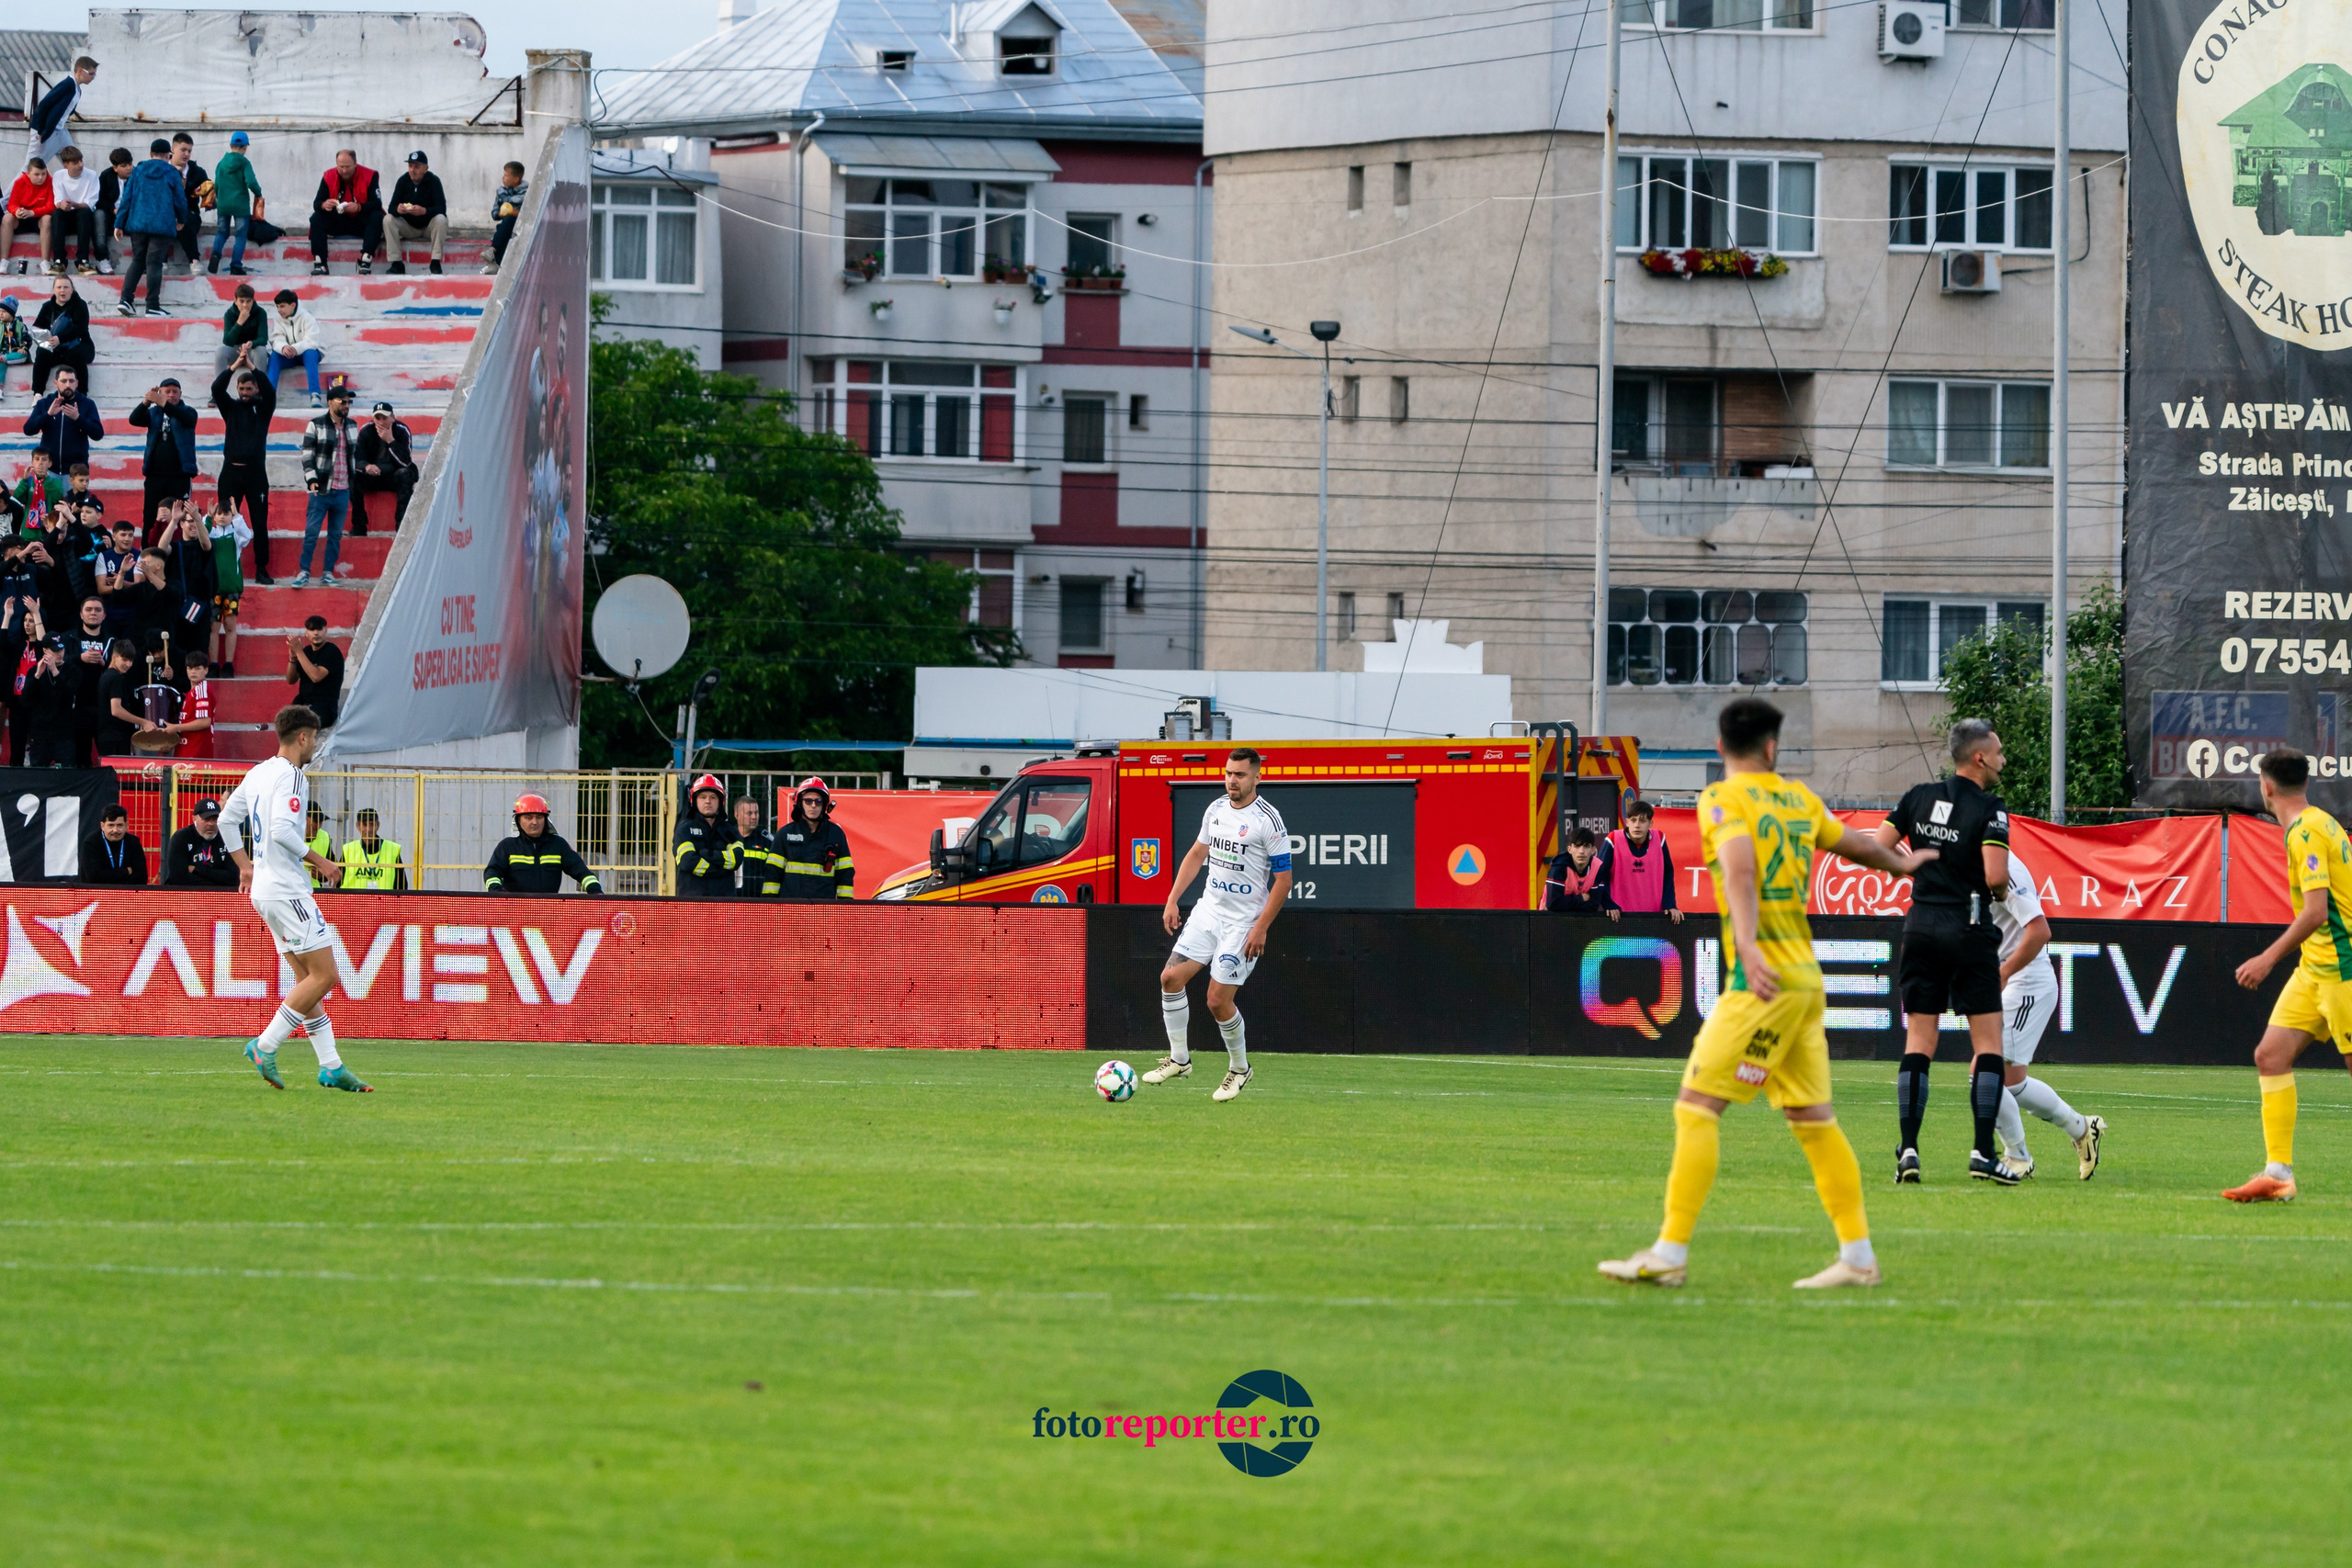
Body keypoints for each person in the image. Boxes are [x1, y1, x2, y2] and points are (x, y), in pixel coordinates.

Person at [1599, 697, 1935, 1292]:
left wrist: (1748, 946)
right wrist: (1899, 867)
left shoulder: (1723, 799)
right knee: (1813, 1118)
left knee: (1696, 1106)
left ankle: (1670, 1252)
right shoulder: (1798, 798)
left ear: (1721, 745)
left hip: (1764, 981)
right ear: (1772, 747)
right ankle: (1858, 1258)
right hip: (1804, 978)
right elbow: (1855, 845)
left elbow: (1740, 868)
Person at [1875, 717, 2026, 1187]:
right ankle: (1983, 1152)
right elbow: (1996, 876)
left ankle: (1909, 1149)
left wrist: (1911, 867)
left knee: (1919, 1042)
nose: (2003, 760)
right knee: (1988, 1046)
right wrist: (1997, 893)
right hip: (1969, 927)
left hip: (1920, 927)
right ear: (1979, 758)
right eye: (1998, 753)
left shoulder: (1917, 796)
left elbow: (1878, 849)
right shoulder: (1990, 808)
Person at [219, 705, 369, 1093]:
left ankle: (331, 1066)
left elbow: (225, 820)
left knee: (308, 980)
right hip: (287, 890)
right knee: (326, 976)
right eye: (314, 738)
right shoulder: (292, 775)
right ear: (302, 737)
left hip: (265, 891)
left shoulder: (258, 772)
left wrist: (245, 867)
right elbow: (283, 831)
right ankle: (265, 1045)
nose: (314, 745)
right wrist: (322, 861)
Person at [2225, 752, 2352, 1202]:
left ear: (2266, 787)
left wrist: (2267, 958)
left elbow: (2316, 912)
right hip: (2316, 968)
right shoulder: (2321, 822)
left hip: (2342, 968)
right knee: (2270, 1055)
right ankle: (2278, 1174)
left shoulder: (2307, 833)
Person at [1140, 747, 1292, 1104]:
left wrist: (1261, 927)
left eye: (1240, 774)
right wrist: (1173, 899)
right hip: (1208, 912)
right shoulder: (1216, 809)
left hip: (1242, 924)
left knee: (1216, 1001)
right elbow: (1197, 854)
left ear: (1257, 777)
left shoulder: (1268, 821)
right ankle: (1180, 1060)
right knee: (1169, 978)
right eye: (1228, 773)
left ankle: (1240, 1069)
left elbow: (1284, 881)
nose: (1232, 780)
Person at [1984, 846, 2105, 1179]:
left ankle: (2017, 1157)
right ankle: (2082, 1128)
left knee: (1985, 1074)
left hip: (2026, 982)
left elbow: (2040, 930)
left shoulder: (2005, 867)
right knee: (2011, 1082)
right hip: (2012, 979)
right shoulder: (1969, 859)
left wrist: (2003, 973)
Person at [211, 351, 275, 585]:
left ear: (255, 389)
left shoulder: (264, 409)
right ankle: (223, 567)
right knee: (223, 520)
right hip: (230, 472)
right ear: (237, 389)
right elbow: (217, 389)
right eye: (241, 389)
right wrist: (234, 366)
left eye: (249, 389)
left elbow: (270, 392)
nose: (245, 393)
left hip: (255, 473)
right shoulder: (230, 408)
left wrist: (253, 367)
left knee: (259, 522)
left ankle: (261, 569)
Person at [114, 139, 185, 318]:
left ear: (150, 154)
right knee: (154, 263)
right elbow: (180, 199)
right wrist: (182, 219)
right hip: (162, 225)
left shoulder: (138, 171)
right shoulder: (172, 172)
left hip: (138, 223)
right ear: (168, 155)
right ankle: (152, 306)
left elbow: (127, 198)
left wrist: (119, 223)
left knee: (138, 260)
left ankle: (125, 299)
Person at [484, 792, 605, 894]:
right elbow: (492, 872)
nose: (534, 822)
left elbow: (582, 872)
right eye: (528, 817)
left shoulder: (558, 845)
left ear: (545, 820)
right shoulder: (507, 846)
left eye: (539, 817)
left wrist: (596, 892)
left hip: (548, 909)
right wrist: (496, 892)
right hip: (515, 909)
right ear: (518, 820)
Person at [296, 387, 356, 582]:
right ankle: (304, 571)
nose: (346, 405)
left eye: (348, 402)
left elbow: (354, 456)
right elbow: (307, 454)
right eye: (342, 401)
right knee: (311, 533)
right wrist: (312, 479)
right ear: (330, 402)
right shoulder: (316, 424)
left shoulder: (352, 426)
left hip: (343, 489)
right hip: (320, 489)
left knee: (335, 536)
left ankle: (327, 573)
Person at [128, 378, 198, 541]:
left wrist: (163, 403)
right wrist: (146, 402)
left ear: (181, 394)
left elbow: (188, 420)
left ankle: (179, 550)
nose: (171, 395)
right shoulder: (154, 413)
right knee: (151, 516)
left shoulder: (188, 411)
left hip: (180, 475)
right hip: (155, 475)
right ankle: (148, 551)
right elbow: (134, 419)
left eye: (175, 392)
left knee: (180, 516)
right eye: (167, 392)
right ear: (160, 393)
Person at [1598, 797, 1680, 922]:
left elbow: (1667, 873)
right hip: (1619, 917)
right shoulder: (1613, 839)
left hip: (1654, 917)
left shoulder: (1659, 838)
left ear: (1650, 823)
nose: (1637, 825)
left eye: (1642, 821)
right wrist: (1609, 904)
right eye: (1633, 820)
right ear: (1627, 822)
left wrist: (1670, 905)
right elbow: (1599, 875)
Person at [776, 778, 856, 900]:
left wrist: (845, 906)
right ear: (799, 803)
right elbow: (773, 874)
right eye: (808, 801)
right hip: (791, 908)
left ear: (825, 805)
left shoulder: (836, 835)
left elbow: (845, 875)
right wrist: (769, 904)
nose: (813, 805)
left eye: (818, 801)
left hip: (824, 908)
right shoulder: (784, 834)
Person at [308, 150, 384, 277]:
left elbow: (377, 204)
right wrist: (324, 205)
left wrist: (359, 207)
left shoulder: (369, 176)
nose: (344, 171)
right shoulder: (328, 176)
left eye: (347, 167)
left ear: (355, 164)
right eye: (341, 167)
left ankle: (365, 261)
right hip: (338, 221)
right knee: (316, 218)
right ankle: (320, 263)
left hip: (361, 222)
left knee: (376, 216)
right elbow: (317, 204)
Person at [22, 363, 103, 469]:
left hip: (76, 472)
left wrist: (78, 418)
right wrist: (48, 415)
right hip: (50, 470)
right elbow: (28, 430)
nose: (68, 385)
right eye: (64, 381)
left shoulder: (87, 404)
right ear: (56, 383)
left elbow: (98, 434)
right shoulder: (45, 403)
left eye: (71, 381)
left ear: (77, 383)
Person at [354, 402, 417, 533]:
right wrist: (367, 466)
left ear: (393, 417)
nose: (381, 422)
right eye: (378, 418)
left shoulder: (402, 430)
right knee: (353, 477)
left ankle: (402, 526)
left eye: (385, 418)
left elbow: (406, 462)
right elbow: (357, 459)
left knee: (405, 474)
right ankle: (359, 526)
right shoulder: (366, 430)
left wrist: (390, 441)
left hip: (394, 475)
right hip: (373, 476)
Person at [673, 773, 738, 898]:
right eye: (703, 797)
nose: (708, 801)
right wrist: (720, 869)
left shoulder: (729, 830)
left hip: (724, 902)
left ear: (720, 801)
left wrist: (704, 855)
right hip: (692, 901)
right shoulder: (684, 829)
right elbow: (687, 861)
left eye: (713, 797)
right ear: (694, 800)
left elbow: (737, 858)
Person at [204, 501, 251, 672]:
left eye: (226, 514)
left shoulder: (236, 535)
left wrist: (237, 516)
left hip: (231, 589)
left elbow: (247, 536)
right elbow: (202, 535)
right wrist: (208, 517)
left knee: (230, 626)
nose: (222, 517)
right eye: (219, 514)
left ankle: (229, 664)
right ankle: (214, 663)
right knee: (213, 628)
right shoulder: (211, 533)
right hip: (213, 590)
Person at [28, 58, 97, 171]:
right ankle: (16, 185)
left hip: (60, 131)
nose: (93, 78)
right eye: (91, 74)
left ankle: (77, 182)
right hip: (45, 130)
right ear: (80, 71)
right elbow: (44, 104)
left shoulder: (78, 90)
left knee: (75, 161)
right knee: (31, 168)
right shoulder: (68, 84)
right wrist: (40, 130)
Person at [207, 130, 260, 276]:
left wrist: (219, 198)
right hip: (240, 206)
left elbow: (217, 184)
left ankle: (216, 254)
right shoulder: (245, 163)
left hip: (223, 204)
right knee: (240, 236)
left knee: (221, 232)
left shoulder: (221, 163)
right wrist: (258, 194)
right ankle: (236, 266)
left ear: (230, 145)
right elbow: (251, 182)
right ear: (245, 147)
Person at [30, 272, 93, 395]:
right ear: (54, 290)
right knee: (42, 353)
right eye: (59, 287)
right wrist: (47, 339)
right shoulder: (47, 306)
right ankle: (38, 393)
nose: (62, 291)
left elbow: (81, 328)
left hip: (78, 344)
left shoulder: (80, 305)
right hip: (55, 348)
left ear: (72, 289)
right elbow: (38, 327)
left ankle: (82, 394)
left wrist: (60, 338)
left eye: (66, 287)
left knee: (75, 355)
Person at [386, 151, 447, 276]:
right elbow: (391, 207)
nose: (412, 170)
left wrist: (424, 211)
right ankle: (396, 263)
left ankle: (435, 262)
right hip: (409, 227)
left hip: (428, 228)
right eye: (410, 166)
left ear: (425, 169)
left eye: (417, 167)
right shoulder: (403, 181)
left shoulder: (434, 181)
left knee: (441, 219)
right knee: (388, 219)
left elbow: (442, 209)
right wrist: (398, 209)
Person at [266, 287, 324, 408]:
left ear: (293, 305)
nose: (279, 310)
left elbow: (312, 341)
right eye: (277, 307)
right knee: (274, 356)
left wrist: (295, 348)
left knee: (310, 353)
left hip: (308, 354)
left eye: (282, 306)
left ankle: (315, 395)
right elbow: (276, 338)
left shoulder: (307, 317)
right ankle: (269, 396)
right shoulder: (278, 320)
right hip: (289, 356)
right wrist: (284, 347)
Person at [162, 794, 238, 887]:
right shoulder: (182, 837)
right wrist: (217, 884)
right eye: (206, 819)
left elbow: (233, 878)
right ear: (194, 818)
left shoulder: (226, 839)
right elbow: (178, 877)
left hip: (218, 895)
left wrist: (196, 870)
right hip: (185, 894)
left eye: (215, 819)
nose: (211, 824)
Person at [92, 637, 150, 756]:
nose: (128, 664)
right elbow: (116, 710)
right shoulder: (116, 678)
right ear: (114, 657)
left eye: (131, 661)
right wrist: (143, 722)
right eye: (124, 660)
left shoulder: (106, 676)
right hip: (115, 739)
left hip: (107, 737)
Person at [50, 147, 101, 276]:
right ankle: (59, 261)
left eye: (81, 161)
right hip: (66, 216)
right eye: (75, 163)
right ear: (65, 165)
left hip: (84, 215)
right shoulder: (58, 175)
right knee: (57, 214)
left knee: (84, 213)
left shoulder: (92, 175)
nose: (80, 165)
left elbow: (90, 203)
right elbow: (58, 201)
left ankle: (83, 261)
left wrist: (74, 204)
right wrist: (63, 204)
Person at [2, 158, 57, 277]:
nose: (41, 178)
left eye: (43, 174)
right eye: (37, 174)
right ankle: (3, 262)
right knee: (7, 218)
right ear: (28, 173)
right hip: (22, 218)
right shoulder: (19, 182)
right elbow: (11, 204)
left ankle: (45, 263)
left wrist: (32, 212)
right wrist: (17, 211)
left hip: (39, 219)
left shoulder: (51, 182)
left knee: (47, 219)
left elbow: (51, 207)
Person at [287, 615, 344, 726]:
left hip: (324, 706)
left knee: (303, 723)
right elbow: (291, 680)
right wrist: (293, 658)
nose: (316, 633)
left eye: (319, 629)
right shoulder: (306, 652)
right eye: (312, 630)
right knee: (284, 721)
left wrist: (299, 652)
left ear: (325, 630)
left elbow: (316, 676)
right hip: (303, 702)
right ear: (306, 633)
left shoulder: (332, 651)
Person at [1544, 826, 1611, 914]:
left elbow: (1593, 906)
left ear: (1593, 850)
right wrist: (1581, 898)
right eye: (1577, 846)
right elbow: (1553, 904)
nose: (1581, 851)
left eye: (1586, 846)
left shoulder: (1597, 868)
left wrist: (1564, 903)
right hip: (1551, 919)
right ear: (1569, 849)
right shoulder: (1558, 867)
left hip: (1581, 920)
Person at [168, 132, 209, 275]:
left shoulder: (197, 172)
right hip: (165, 215)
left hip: (189, 215)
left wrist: (210, 194)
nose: (186, 154)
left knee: (185, 216)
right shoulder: (162, 169)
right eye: (183, 150)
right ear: (173, 149)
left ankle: (194, 260)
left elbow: (208, 192)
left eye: (189, 151)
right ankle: (161, 260)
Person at [79, 801, 146, 886]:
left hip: (126, 893)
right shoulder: (91, 843)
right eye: (111, 825)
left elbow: (141, 878)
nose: (115, 830)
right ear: (102, 826)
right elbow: (94, 877)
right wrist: (125, 871)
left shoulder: (134, 842)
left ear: (126, 825)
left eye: (119, 825)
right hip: (97, 893)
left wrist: (108, 876)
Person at [338, 807, 406, 891]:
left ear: (378, 825)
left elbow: (402, 886)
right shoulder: (348, 850)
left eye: (372, 824)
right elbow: (337, 883)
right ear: (358, 826)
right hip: (353, 899)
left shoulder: (392, 850)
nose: (368, 829)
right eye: (364, 825)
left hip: (382, 899)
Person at [214, 280, 267, 378]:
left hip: (252, 351)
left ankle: (260, 386)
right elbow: (227, 341)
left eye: (248, 301)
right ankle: (218, 386)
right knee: (220, 351)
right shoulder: (229, 314)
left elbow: (263, 339)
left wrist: (252, 343)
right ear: (236, 301)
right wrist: (239, 322)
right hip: (236, 352)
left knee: (261, 350)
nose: (245, 305)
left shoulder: (260, 313)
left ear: (253, 301)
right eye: (241, 301)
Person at [169, 647, 214, 757]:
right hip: (186, 748)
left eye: (198, 668)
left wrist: (176, 727)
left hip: (196, 751)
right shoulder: (192, 692)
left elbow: (204, 722)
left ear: (206, 670)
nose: (193, 672)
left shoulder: (201, 690)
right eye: (190, 668)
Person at [93, 148, 130, 276]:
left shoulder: (137, 176)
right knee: (98, 215)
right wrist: (113, 210)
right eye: (124, 166)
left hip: (130, 215)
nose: (128, 168)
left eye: (130, 164)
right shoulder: (106, 176)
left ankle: (142, 260)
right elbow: (99, 200)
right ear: (115, 168)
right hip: (111, 214)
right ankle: (102, 259)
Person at [732, 795, 781, 897]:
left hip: (758, 900)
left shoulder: (767, 840)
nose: (754, 817)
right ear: (737, 815)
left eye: (756, 813)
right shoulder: (728, 837)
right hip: (731, 899)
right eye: (749, 813)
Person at [486, 160, 527, 273]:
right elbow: (494, 213)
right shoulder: (501, 191)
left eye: (506, 175)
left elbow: (532, 214)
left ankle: (493, 251)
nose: (503, 178)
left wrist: (518, 214)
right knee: (506, 226)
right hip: (505, 227)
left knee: (510, 220)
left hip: (521, 228)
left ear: (516, 179)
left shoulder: (528, 193)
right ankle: (496, 261)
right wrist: (499, 214)